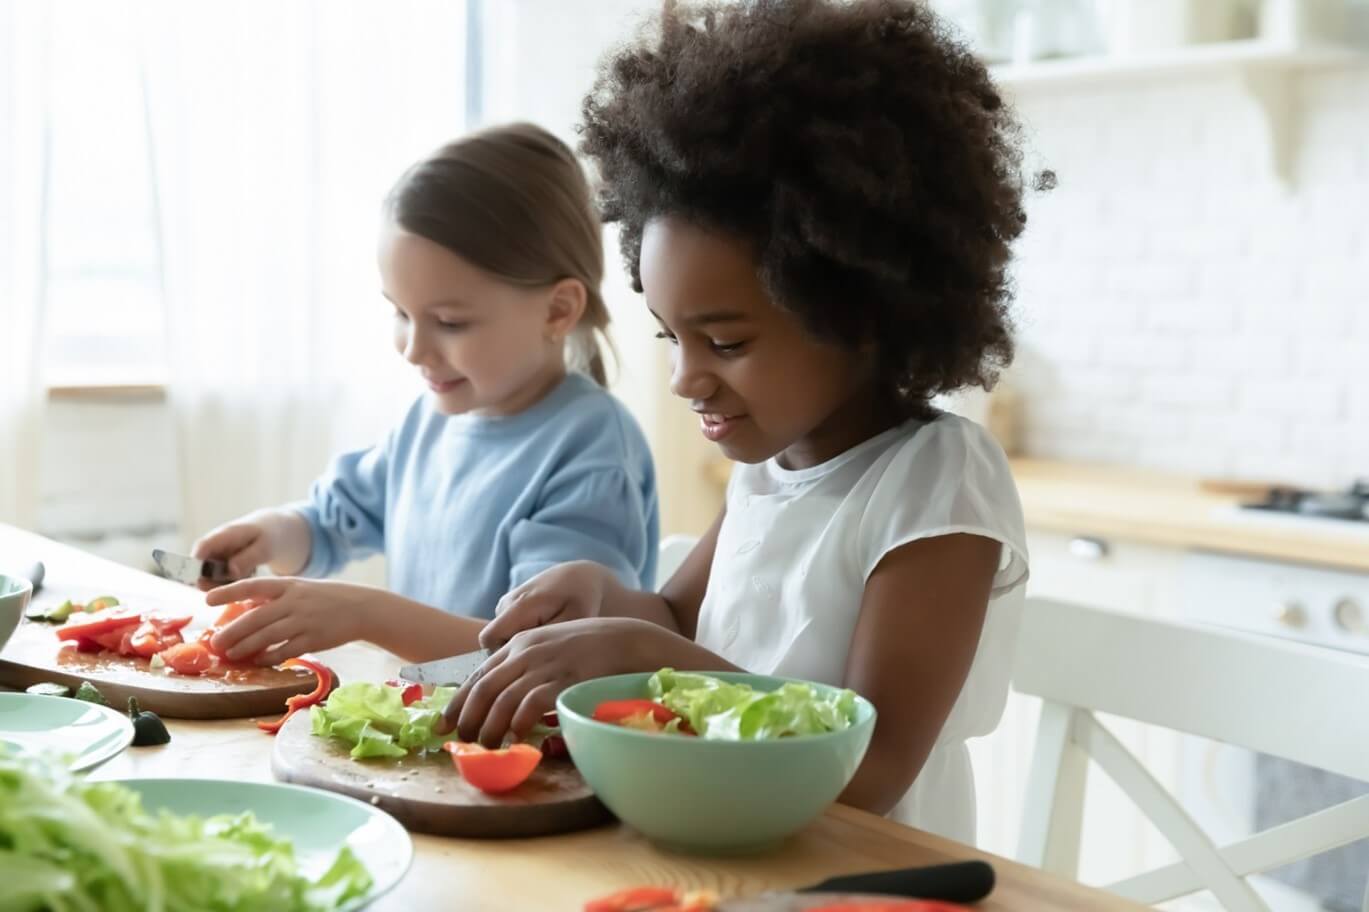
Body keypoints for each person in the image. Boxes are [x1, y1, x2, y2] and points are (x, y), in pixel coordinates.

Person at [441, 1, 1034, 844]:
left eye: (723, 340)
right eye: (670, 337)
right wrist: (607, 600)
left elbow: (868, 767)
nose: (686, 377)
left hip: (867, 879)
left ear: (859, 311)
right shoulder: (772, 465)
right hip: (729, 852)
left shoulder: (933, 480)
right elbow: (678, 623)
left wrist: (645, 658)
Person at [194, 123, 659, 666]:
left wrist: (365, 614)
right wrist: (270, 535)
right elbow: (332, 520)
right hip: (426, 733)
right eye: (400, 312)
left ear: (558, 311)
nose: (414, 349)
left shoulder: (590, 448)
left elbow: (543, 656)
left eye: (449, 322)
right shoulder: (429, 420)